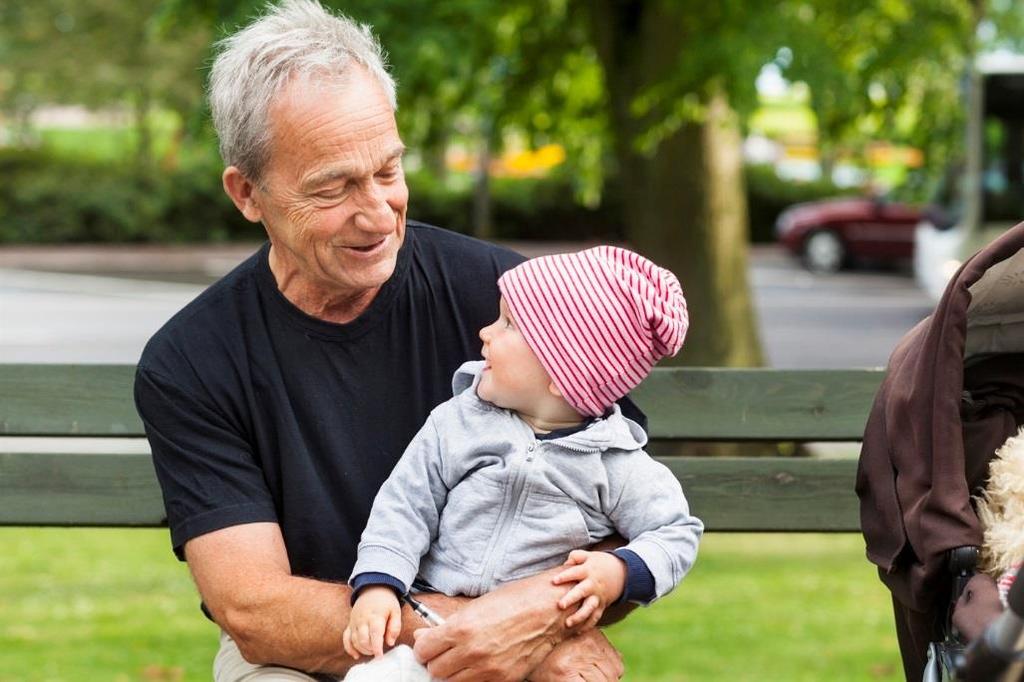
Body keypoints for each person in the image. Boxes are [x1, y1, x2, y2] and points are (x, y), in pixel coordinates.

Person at [134, 0, 631, 679]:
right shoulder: (192, 361)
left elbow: (625, 509)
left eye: (388, 172)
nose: (377, 214)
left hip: (513, 633)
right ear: (247, 193)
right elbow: (256, 612)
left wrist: (535, 621)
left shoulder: (508, 296)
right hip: (308, 650)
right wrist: (478, 627)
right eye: (333, 187)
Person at [341, 247, 703, 679]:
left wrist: (618, 571)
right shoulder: (455, 424)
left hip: (534, 651)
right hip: (431, 632)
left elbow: (677, 533)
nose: (486, 332)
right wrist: (379, 583)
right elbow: (404, 506)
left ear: (565, 371)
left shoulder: (617, 463)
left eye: (508, 323)